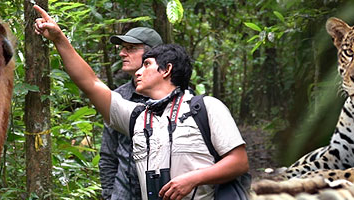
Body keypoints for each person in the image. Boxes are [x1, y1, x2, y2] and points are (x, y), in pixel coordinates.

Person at [33, 5, 248, 200]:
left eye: (146, 64)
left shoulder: (206, 107)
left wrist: (193, 179)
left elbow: (239, 161)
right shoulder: (137, 116)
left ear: (167, 70)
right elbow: (90, 83)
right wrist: (59, 39)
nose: (139, 71)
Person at [100, 27, 162, 200]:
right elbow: (108, 154)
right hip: (123, 193)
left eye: (131, 48)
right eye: (122, 48)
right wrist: (108, 194)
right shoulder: (118, 97)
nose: (122, 53)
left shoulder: (179, 97)